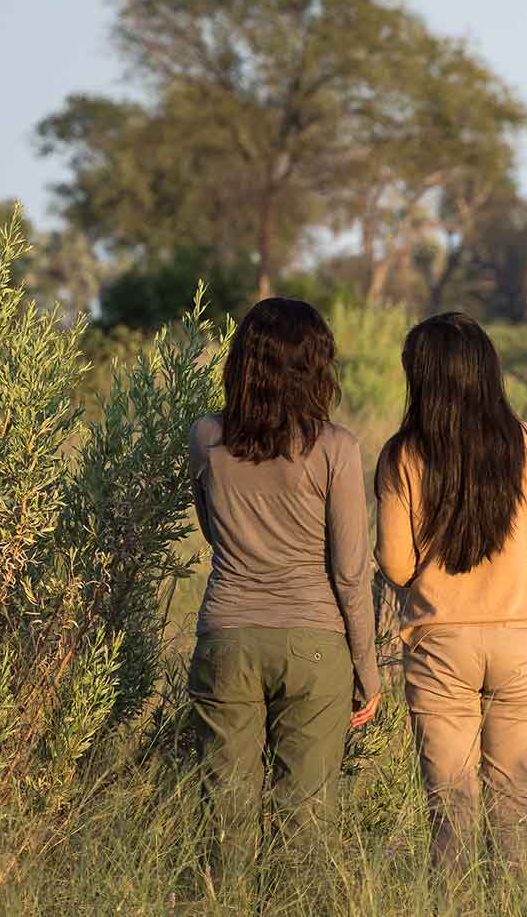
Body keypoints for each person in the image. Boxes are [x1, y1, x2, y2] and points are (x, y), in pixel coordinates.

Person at [186, 297, 381, 869]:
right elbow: (349, 572)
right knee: (307, 816)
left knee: (225, 811)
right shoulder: (336, 447)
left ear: (242, 361)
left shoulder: (206, 437)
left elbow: (212, 530)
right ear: (315, 365)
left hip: (227, 633)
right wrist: (367, 670)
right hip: (314, 644)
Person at [374, 313, 527, 869]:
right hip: (526, 643)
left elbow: (398, 565)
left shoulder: (402, 453)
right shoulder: (526, 442)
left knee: (450, 818)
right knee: (514, 816)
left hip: (442, 645)